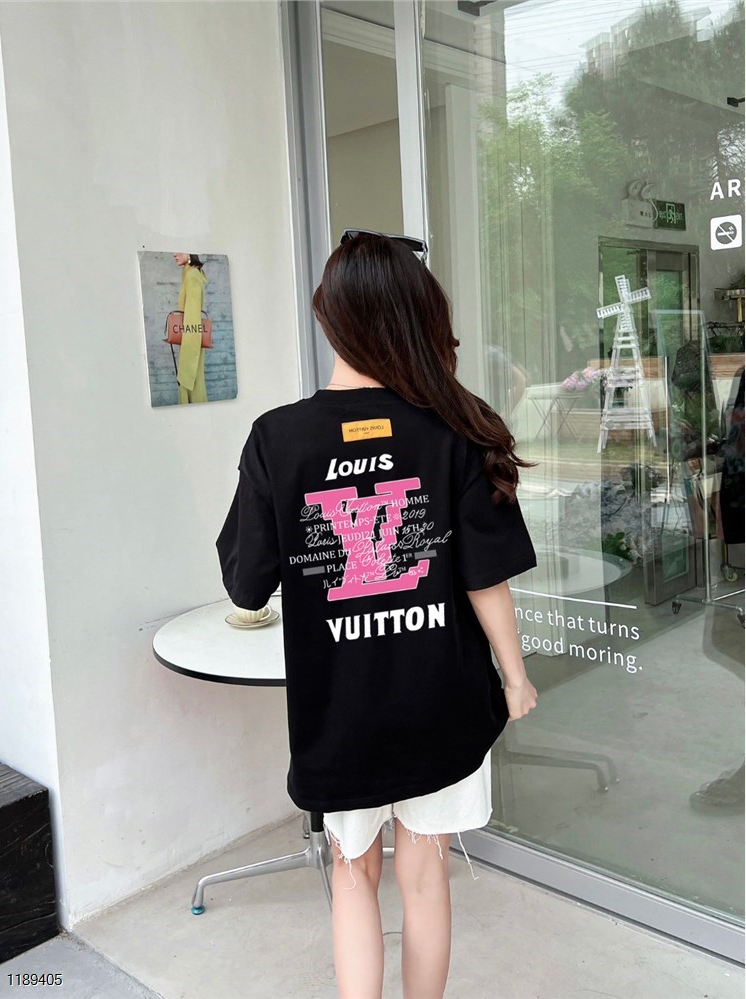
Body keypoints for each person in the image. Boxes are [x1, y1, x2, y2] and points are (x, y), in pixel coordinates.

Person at [215, 230, 539, 999]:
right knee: (425, 874)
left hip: (341, 712)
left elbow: (246, 585)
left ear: (330, 319)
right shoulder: (455, 426)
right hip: (442, 702)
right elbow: (485, 578)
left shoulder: (277, 439)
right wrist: (515, 677)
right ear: (414, 319)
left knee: (352, 872)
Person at [174, 253, 208, 404]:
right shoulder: (190, 274)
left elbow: (193, 316)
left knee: (191, 383)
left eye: (179, 251)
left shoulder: (192, 276)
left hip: (190, 339)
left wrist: (188, 349)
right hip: (189, 337)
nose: (174, 254)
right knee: (194, 385)